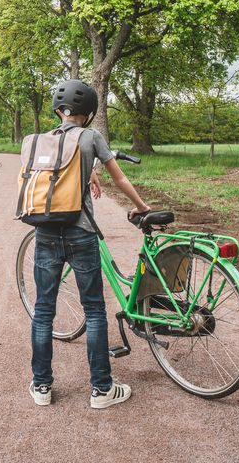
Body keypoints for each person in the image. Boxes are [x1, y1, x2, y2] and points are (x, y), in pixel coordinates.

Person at [27, 79, 151, 409]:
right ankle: (101, 389)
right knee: (94, 310)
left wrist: (89, 174)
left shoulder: (44, 140)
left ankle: (41, 386)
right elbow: (120, 178)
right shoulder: (92, 137)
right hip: (81, 232)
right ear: (89, 112)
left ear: (58, 110)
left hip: (46, 232)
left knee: (43, 311)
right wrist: (141, 207)